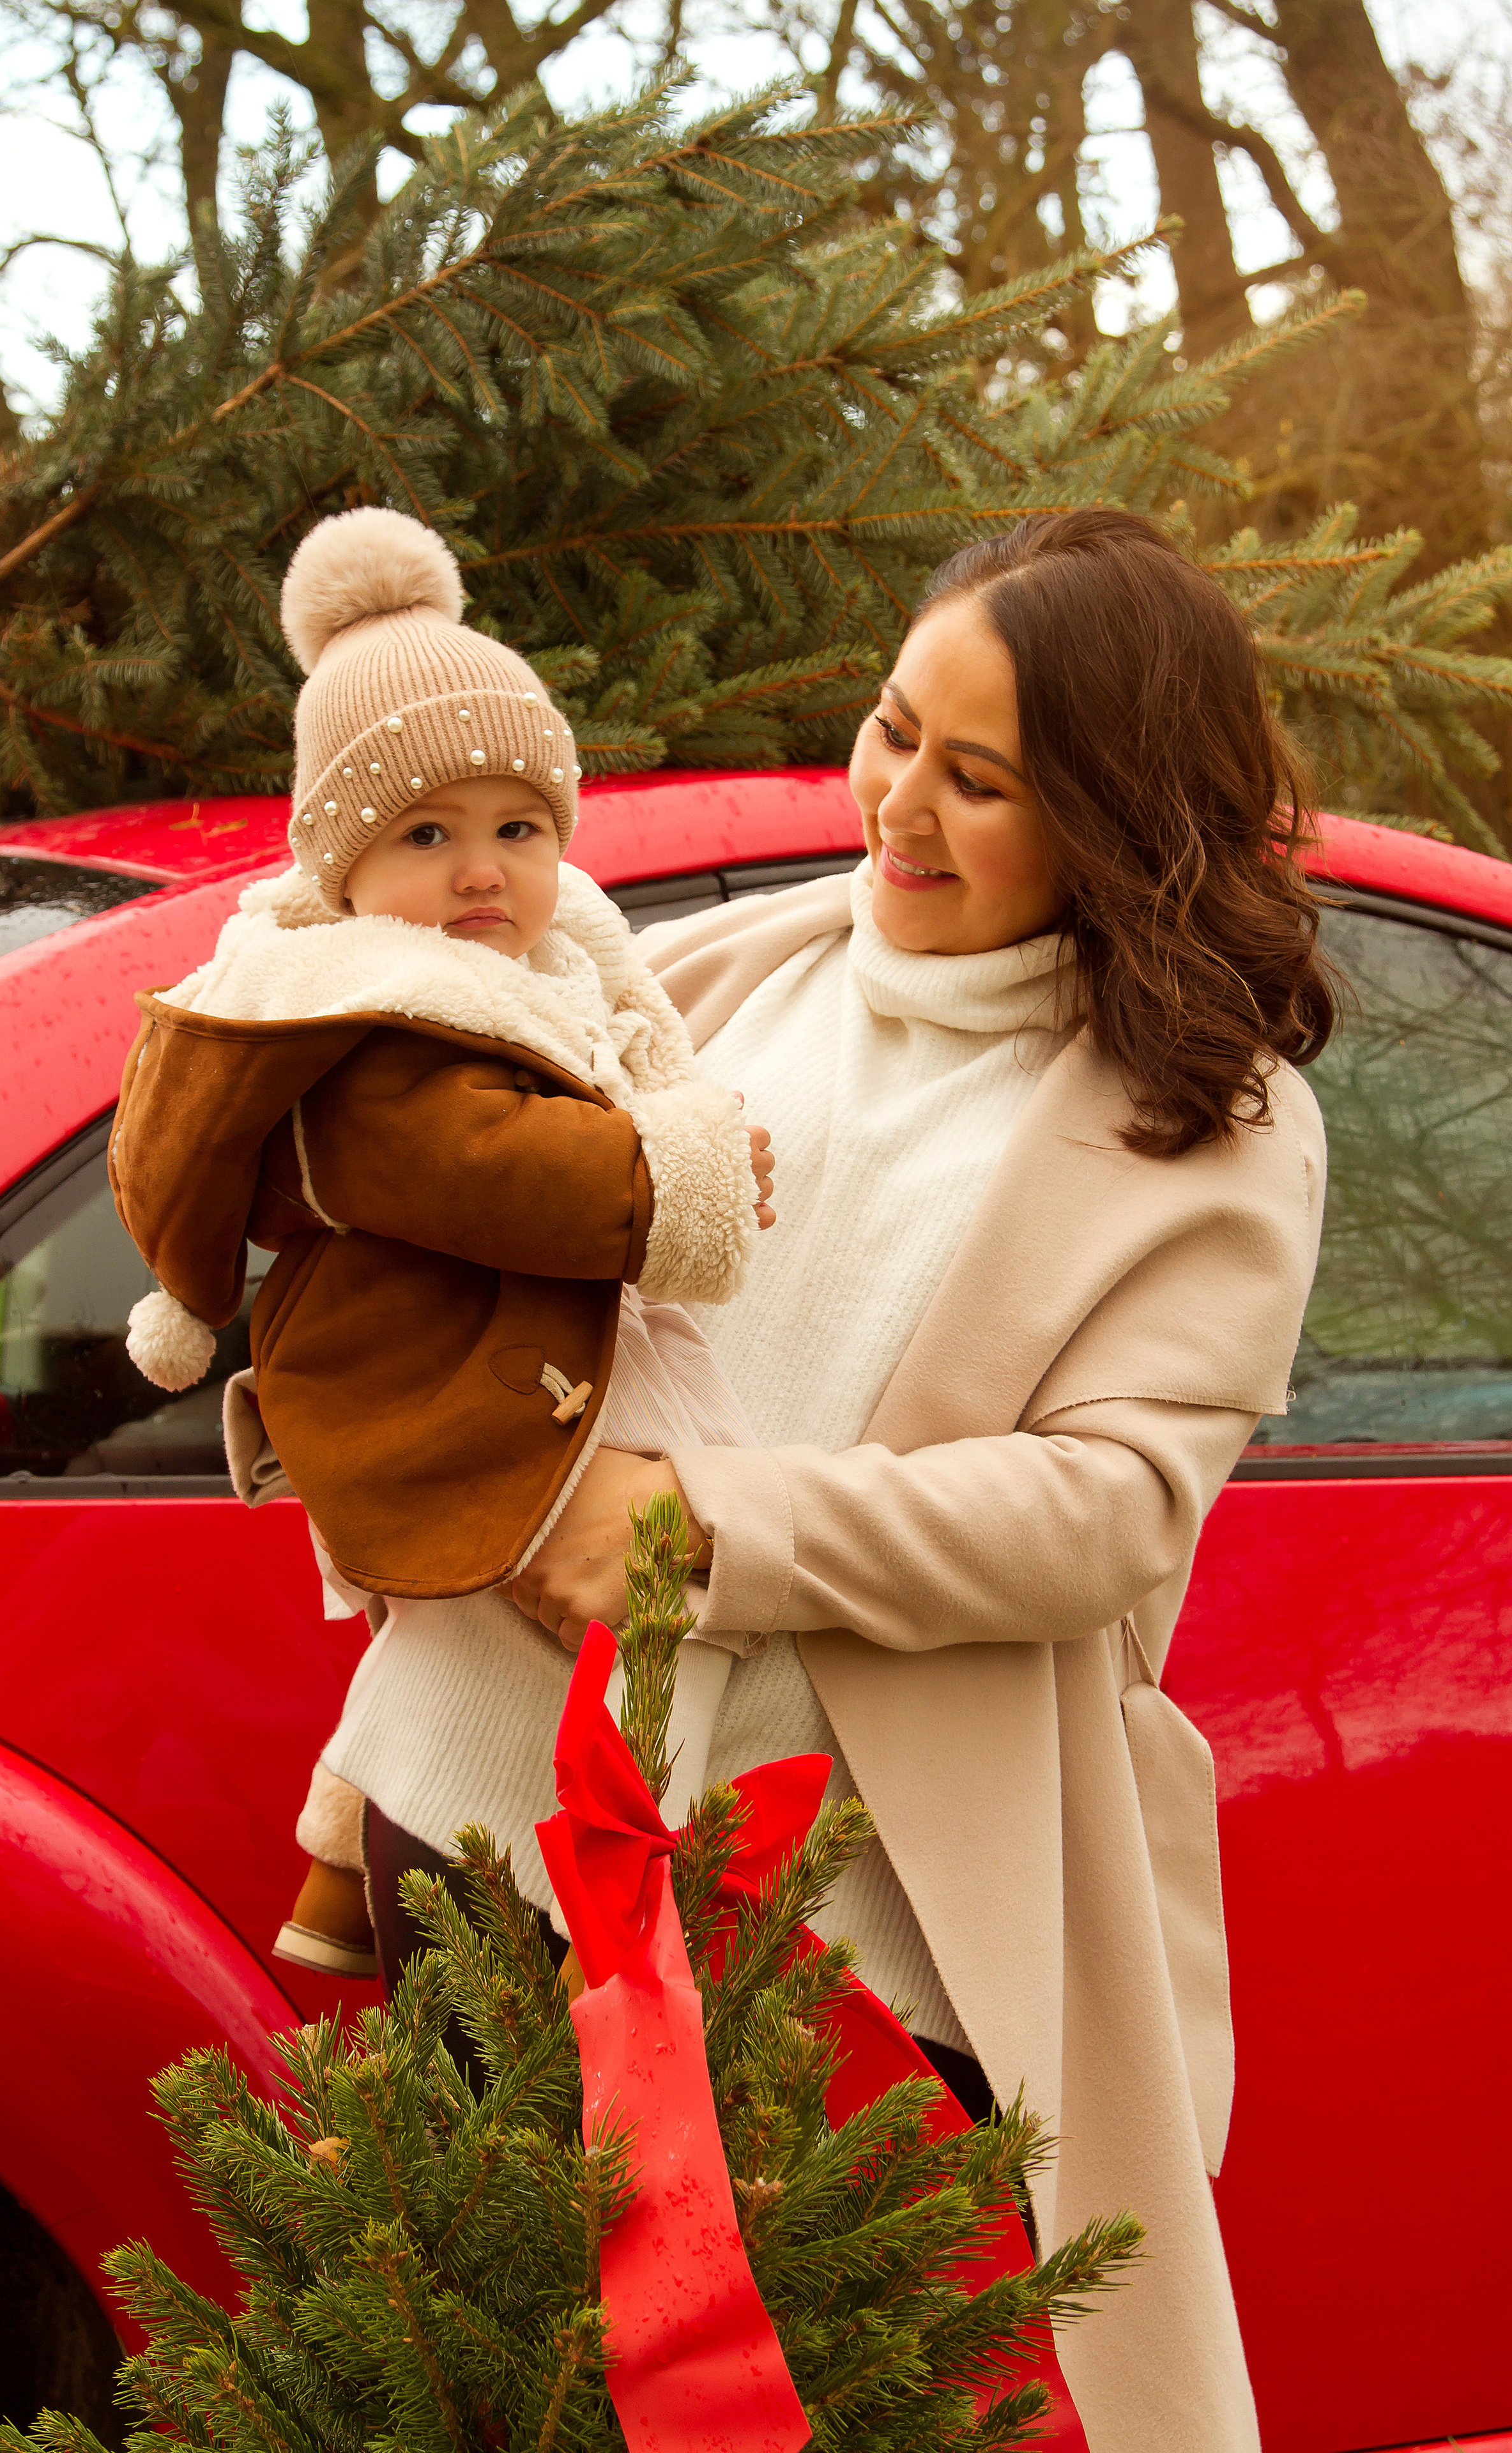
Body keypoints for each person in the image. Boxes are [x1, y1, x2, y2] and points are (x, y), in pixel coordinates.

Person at [483, 507, 1331, 2452]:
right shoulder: (724, 971)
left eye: (981, 780)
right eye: (891, 732)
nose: (898, 807)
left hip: (884, 1925)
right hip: (546, 1833)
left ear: (1115, 818)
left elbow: (1103, 1512)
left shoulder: (1212, 1119)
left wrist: (698, 1532)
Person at [109, 506, 773, 1978]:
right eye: (426, 834)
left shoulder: (526, 965)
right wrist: (680, 1174)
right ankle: (607, 1890)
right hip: (461, 1381)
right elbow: (489, 1166)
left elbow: (592, 1075)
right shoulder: (374, 1017)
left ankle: (344, 1857)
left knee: (473, 1655)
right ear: (343, 867)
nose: (482, 871)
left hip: (501, 1361)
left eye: (516, 829)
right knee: (659, 1607)